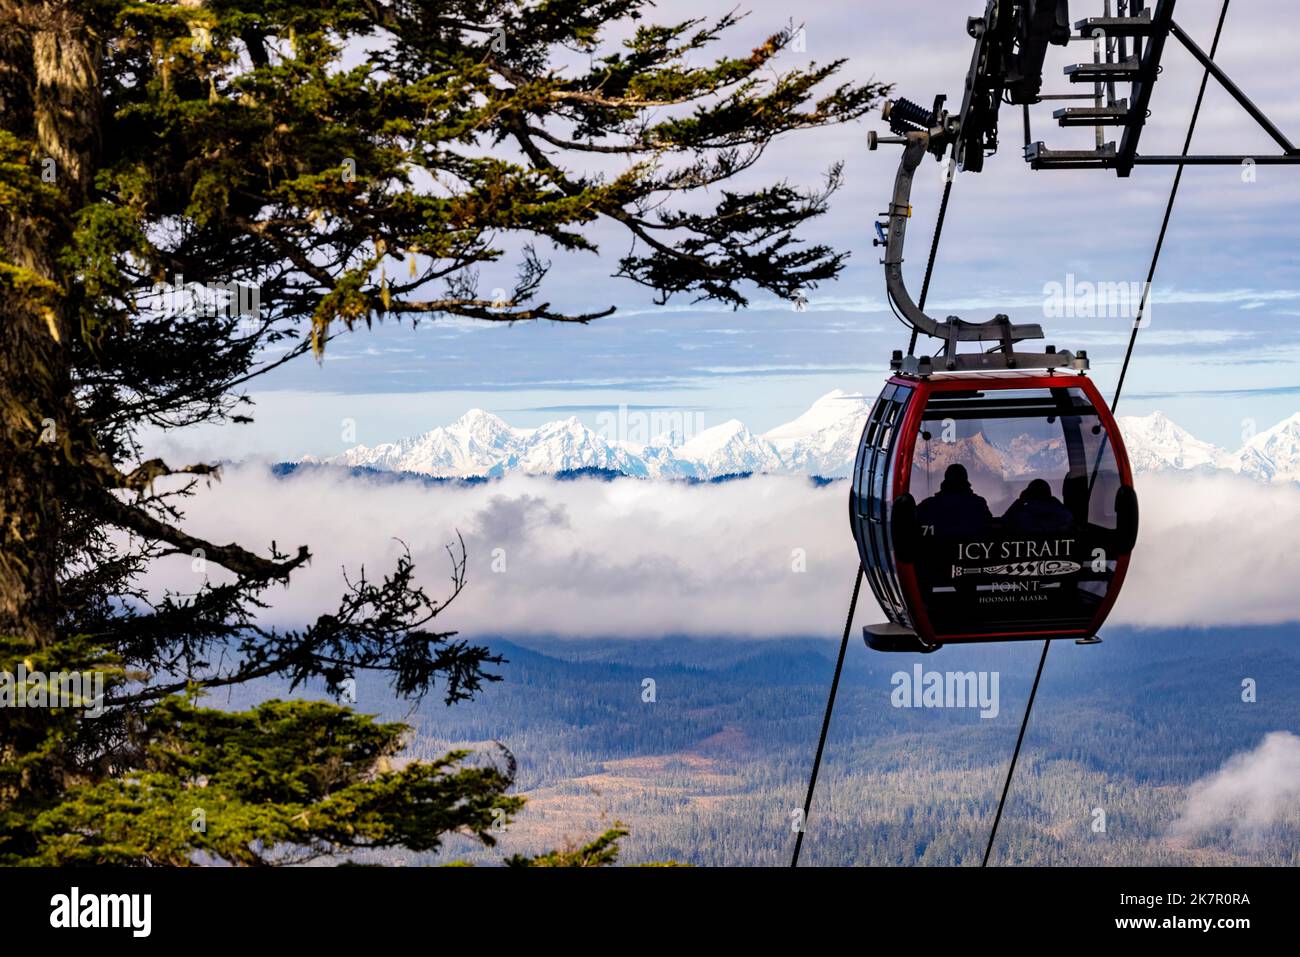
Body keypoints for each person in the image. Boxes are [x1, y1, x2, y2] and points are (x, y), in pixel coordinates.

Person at [915, 464, 993, 538]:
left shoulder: (928, 505)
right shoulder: (978, 504)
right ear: (965, 481)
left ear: (946, 480)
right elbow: (989, 525)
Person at [1002, 478, 1074, 533]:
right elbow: (1069, 517)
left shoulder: (1021, 516)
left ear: (1028, 495)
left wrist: (1020, 501)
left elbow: (1005, 521)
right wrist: (1053, 500)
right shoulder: (1061, 515)